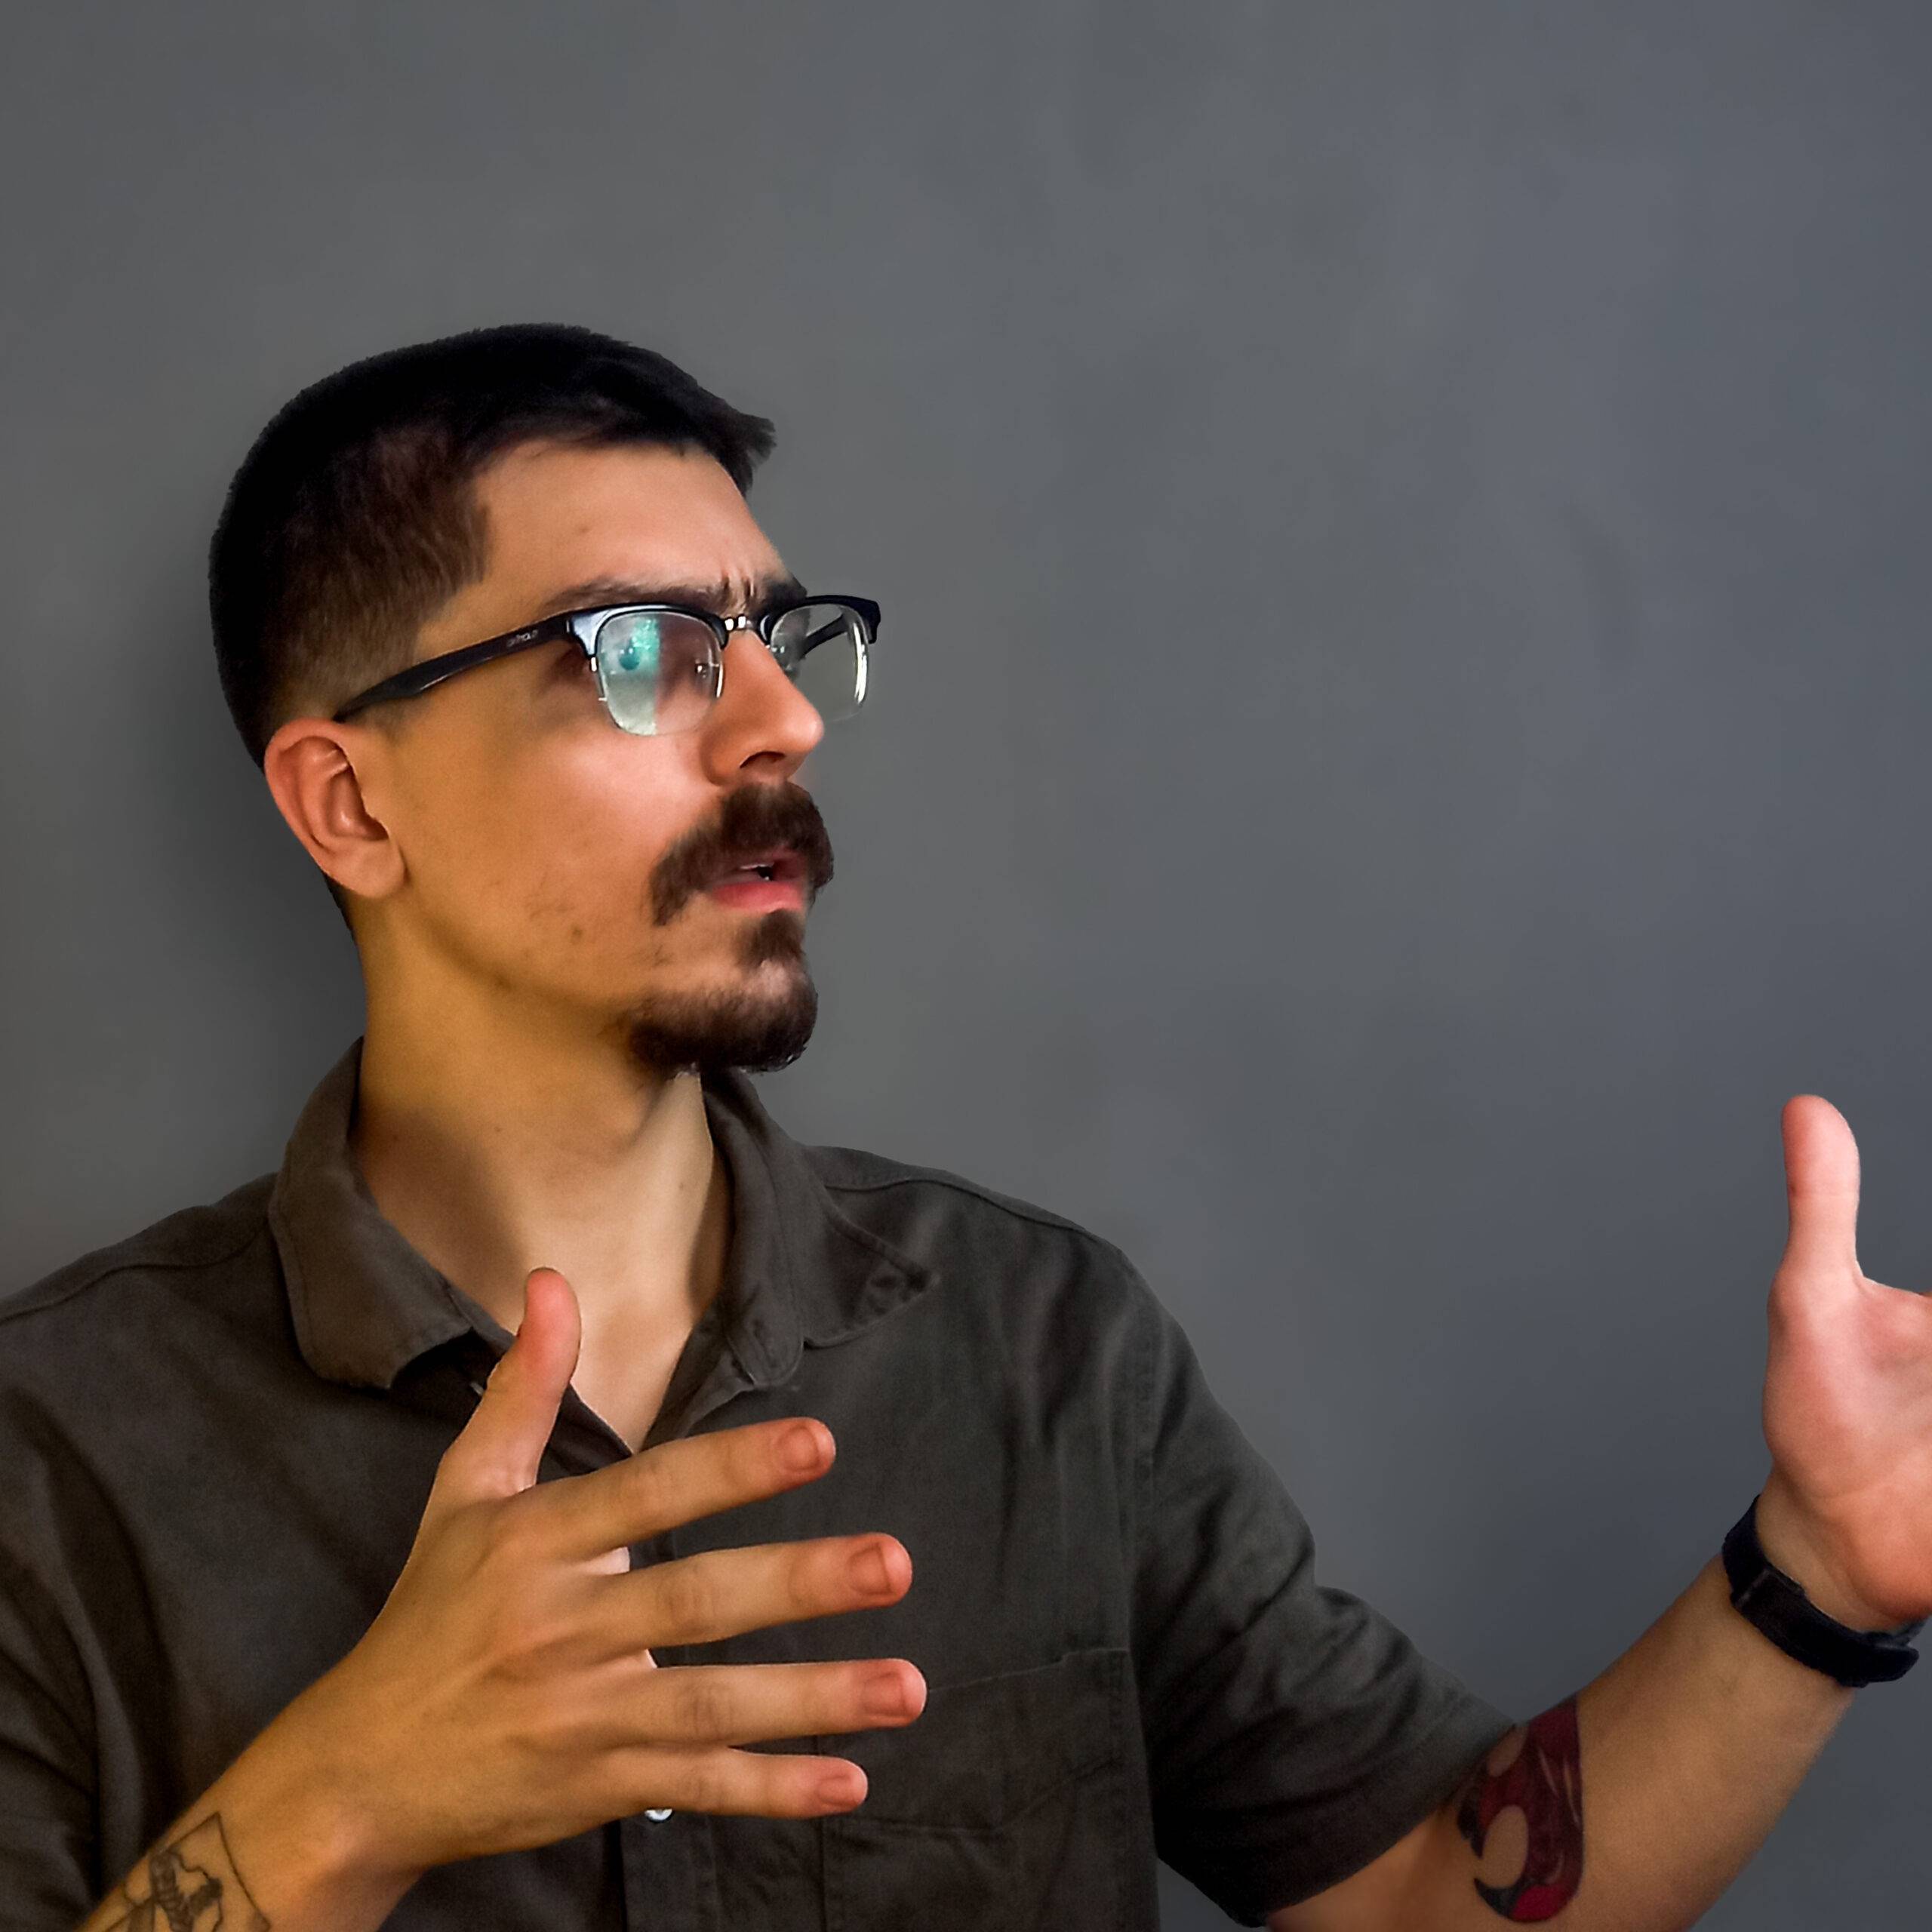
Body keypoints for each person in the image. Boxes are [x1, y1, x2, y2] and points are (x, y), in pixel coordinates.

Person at [3, 323, 1927, 1932]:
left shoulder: (1035, 1344)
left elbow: (1438, 1893)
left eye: (779, 634)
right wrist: (344, 1796)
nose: (780, 722)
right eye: (641, 650)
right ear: (349, 806)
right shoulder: (53, 1453)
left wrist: (1816, 1571)